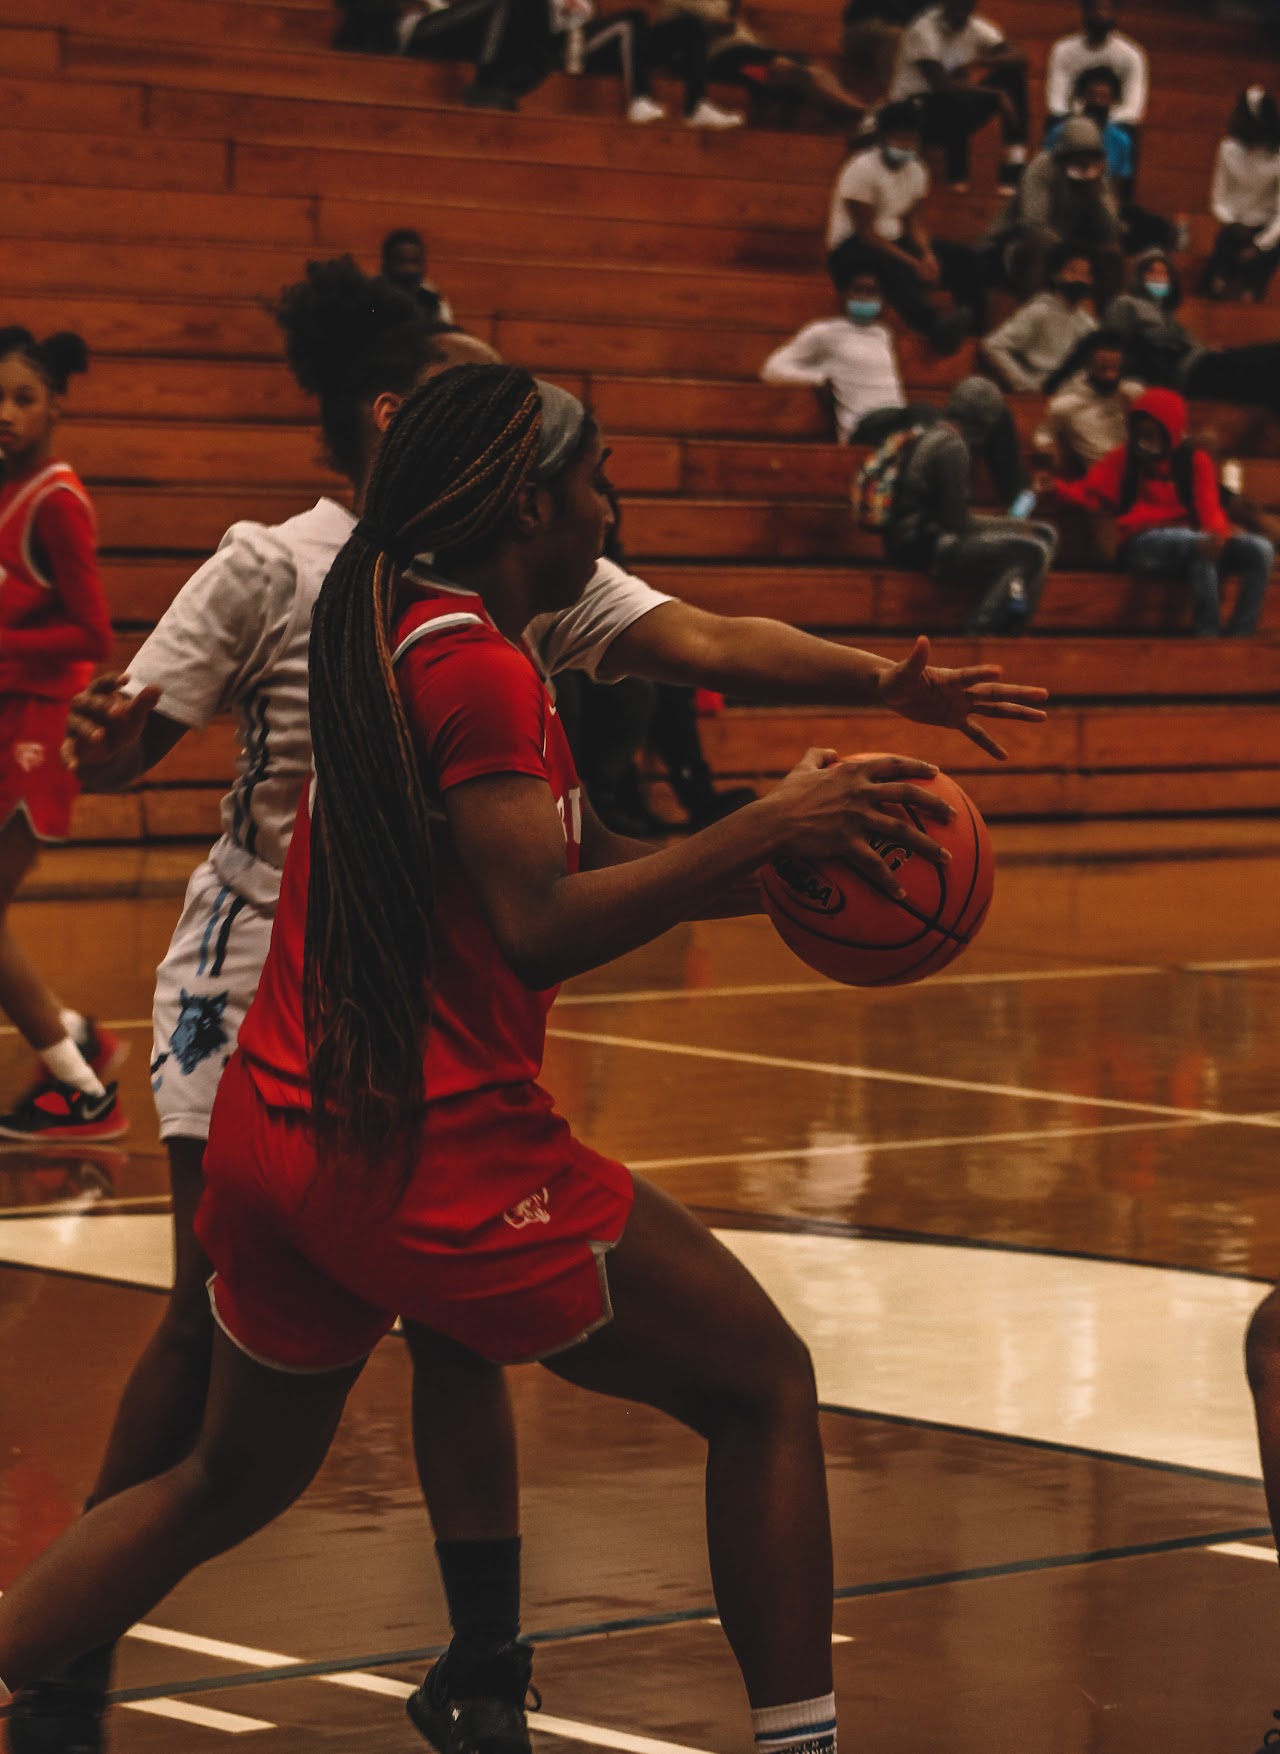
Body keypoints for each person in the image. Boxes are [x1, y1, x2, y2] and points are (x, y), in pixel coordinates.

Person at [7, 265, 1048, 1752]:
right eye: (596, 489)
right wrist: (759, 830)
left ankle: (461, 1648)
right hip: (428, 1151)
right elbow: (538, 921)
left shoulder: (398, 617)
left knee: (221, 1481)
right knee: (765, 1383)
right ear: (525, 511)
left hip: (287, 1123)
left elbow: (563, 857)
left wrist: (772, 865)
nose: (611, 515)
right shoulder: (476, 664)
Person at [0, 328, 120, 1145]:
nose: (4, 414)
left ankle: (83, 1092)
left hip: (41, 725)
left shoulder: (57, 501)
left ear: (53, 407)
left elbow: (94, 634)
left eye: (22, 398)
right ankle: (77, 1037)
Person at [1042, 388, 1274, 636]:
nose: (1146, 441)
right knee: (1199, 546)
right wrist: (1056, 489)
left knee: (1259, 549)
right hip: (1141, 539)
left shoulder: (1194, 461)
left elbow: (1209, 507)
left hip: (1194, 538)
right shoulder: (1125, 459)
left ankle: (1241, 634)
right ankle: (1208, 635)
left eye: (1153, 434)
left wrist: (1218, 535)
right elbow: (1089, 491)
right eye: (1141, 433)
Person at [878, 377, 1058, 634]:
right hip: (922, 545)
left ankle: (1013, 622)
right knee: (1032, 549)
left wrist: (1014, 525)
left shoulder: (934, 433)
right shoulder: (953, 446)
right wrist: (1014, 525)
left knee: (1042, 534)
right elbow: (956, 523)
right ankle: (982, 627)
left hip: (912, 538)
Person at [824, 102, 982, 352]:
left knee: (966, 259)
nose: (906, 145)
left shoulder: (918, 170)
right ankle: (933, 327)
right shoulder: (861, 168)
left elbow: (915, 221)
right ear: (884, 137)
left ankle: (974, 328)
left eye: (911, 139)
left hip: (895, 240)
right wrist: (911, 262)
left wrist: (926, 253)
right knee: (894, 268)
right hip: (852, 247)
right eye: (900, 138)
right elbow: (866, 233)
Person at [1088, 248, 1280, 418]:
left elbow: (1190, 344)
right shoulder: (1126, 304)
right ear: (1139, 275)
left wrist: (1207, 350)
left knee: (1265, 378)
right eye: (1151, 272)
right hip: (1180, 374)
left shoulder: (1166, 314)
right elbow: (1111, 347)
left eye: (1163, 274)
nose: (1158, 278)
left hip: (1199, 363)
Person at [886, 0, 1030, 195]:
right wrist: (997, 94)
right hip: (915, 110)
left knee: (1012, 77)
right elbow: (941, 86)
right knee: (955, 99)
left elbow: (1020, 58)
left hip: (953, 106)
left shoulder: (976, 26)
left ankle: (1014, 159)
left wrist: (981, 61)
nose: (961, 10)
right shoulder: (924, 29)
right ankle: (956, 175)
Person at [984, 114, 1125, 306]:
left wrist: (1095, 193)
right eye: (1077, 155)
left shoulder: (1098, 177)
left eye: (1089, 155)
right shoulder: (1042, 168)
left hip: (1068, 245)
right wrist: (1067, 255)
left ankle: (1109, 324)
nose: (1083, 161)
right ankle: (1032, 316)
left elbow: (1110, 232)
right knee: (1041, 245)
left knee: (1112, 253)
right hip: (1013, 245)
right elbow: (1033, 223)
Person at [760, 270, 908, 443]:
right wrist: (820, 378)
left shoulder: (883, 333)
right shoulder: (825, 331)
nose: (864, 297)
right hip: (861, 425)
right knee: (921, 416)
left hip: (896, 422)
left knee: (930, 424)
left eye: (872, 292)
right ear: (844, 294)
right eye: (858, 290)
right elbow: (772, 368)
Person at [660, 0, 863, 122]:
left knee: (805, 70)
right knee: (790, 70)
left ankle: (852, 109)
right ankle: (859, 111)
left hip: (750, 57)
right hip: (724, 59)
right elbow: (720, 22)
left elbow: (735, 29)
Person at [1047, 66, 1177, 252]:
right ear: (1083, 97)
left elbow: (1120, 186)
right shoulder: (1061, 132)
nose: (1098, 102)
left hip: (1104, 206)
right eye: (1093, 96)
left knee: (1157, 228)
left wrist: (1111, 212)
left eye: (1104, 97)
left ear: (1113, 100)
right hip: (1065, 202)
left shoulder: (1121, 139)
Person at [980, 244, 1098, 394]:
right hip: (1040, 385)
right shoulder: (1039, 310)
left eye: (1086, 274)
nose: (1079, 280)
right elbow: (993, 345)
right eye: (1072, 271)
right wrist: (1024, 384)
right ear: (1056, 276)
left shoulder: (1089, 323)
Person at [1206, 86, 1280, 302]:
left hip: (1266, 230)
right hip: (1235, 226)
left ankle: (1251, 297)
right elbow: (1219, 199)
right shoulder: (1228, 149)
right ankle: (1217, 288)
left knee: (1267, 255)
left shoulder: (1277, 156)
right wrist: (1233, 223)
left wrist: (1260, 244)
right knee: (1226, 242)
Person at [1045, 0, 1148, 154]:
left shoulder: (1131, 55)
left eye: (1106, 8)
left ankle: (1120, 177)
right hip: (1072, 121)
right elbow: (1057, 103)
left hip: (1113, 124)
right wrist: (1081, 123)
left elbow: (1132, 109)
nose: (1100, 14)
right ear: (1084, 11)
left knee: (1127, 135)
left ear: (1115, 12)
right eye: (1094, 8)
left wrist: (1101, 123)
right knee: (1054, 124)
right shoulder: (1063, 50)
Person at [1044, 328, 1144, 474]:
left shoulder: (1134, 394)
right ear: (1089, 366)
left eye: (1115, 369)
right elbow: (1044, 435)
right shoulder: (1066, 404)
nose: (1110, 376)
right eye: (1103, 369)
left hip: (1140, 474)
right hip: (1102, 479)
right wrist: (1050, 450)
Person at [379, 228, 455, 328]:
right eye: (401, 262)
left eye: (415, 262)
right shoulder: (372, 299)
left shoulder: (432, 301)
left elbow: (444, 336)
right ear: (385, 265)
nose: (410, 270)